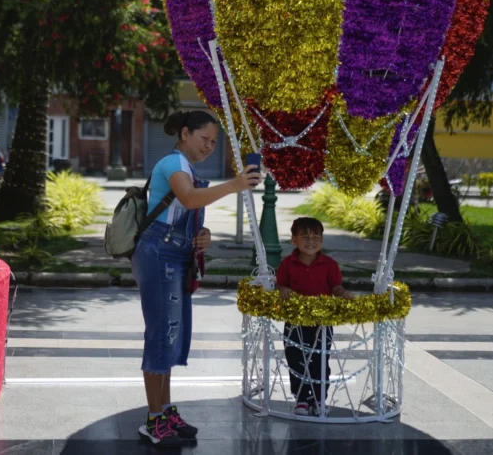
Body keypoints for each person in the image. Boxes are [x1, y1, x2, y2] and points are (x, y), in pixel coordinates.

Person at [133, 110, 261, 446]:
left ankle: (164, 411)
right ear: (185, 134)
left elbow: (183, 211)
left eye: (214, 142)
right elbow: (188, 198)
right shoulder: (173, 163)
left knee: (170, 336)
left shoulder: (186, 167)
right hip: (159, 255)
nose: (209, 146)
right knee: (161, 336)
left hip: (174, 254)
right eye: (204, 139)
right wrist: (234, 184)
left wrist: (202, 234)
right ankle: (153, 420)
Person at [276, 217, 354, 416]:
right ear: (294, 240)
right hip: (295, 321)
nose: (310, 241)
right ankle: (301, 399)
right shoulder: (287, 264)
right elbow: (280, 284)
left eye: (315, 237)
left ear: (322, 240)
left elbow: (336, 286)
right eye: (305, 237)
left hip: (322, 322)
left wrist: (343, 293)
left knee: (320, 360)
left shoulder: (329, 264)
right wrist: (282, 289)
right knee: (295, 359)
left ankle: (319, 399)